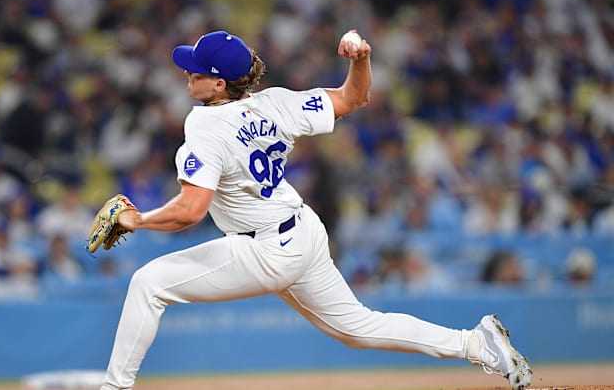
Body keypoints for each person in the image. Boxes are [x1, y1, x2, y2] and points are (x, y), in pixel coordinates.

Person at [97, 30, 532, 390]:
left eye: (197, 69)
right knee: (358, 327)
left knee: (148, 282)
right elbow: (353, 98)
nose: (188, 72)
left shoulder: (204, 126)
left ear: (219, 84)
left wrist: (137, 219)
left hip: (264, 249)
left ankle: (114, 387)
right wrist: (360, 59)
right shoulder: (275, 104)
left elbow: (191, 211)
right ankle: (476, 343)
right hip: (302, 230)